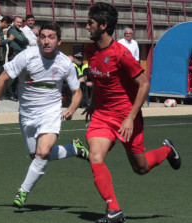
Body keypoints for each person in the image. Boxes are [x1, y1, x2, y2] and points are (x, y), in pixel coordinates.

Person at [84, 3, 181, 223]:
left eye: (90, 22)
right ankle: (114, 210)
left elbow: (144, 84)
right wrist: (93, 103)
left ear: (104, 25)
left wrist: (129, 118)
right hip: (102, 116)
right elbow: (100, 81)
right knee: (95, 156)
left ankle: (167, 150)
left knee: (141, 168)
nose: (86, 26)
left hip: (127, 118)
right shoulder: (90, 50)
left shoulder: (121, 54)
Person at [0, 22, 88, 208]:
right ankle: (73, 149)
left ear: (59, 41)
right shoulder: (27, 56)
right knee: (36, 156)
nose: (46, 41)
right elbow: (3, 78)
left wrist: (71, 109)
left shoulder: (65, 63)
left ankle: (22, 192)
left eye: (51, 37)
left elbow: (77, 91)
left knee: (43, 152)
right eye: (43, 37)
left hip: (51, 112)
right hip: (27, 114)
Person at [5, 16, 29, 101]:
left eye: (20, 22)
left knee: (19, 75)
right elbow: (21, 39)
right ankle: (9, 94)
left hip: (20, 54)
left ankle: (15, 94)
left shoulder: (20, 31)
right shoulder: (12, 30)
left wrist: (23, 40)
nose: (19, 24)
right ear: (14, 22)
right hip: (14, 53)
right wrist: (23, 40)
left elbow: (26, 40)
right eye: (18, 22)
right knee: (12, 75)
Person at [0, 16, 14, 88]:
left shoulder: (0, 29)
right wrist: (9, 39)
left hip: (1, 55)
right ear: (4, 22)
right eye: (8, 24)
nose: (8, 26)